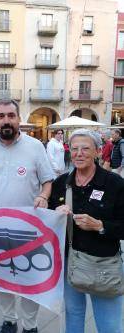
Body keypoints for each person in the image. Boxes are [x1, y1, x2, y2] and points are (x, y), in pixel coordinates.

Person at [0, 99, 54, 333]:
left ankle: (30, 324)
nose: (6, 120)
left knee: (30, 279)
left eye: (11, 115)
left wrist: (44, 196)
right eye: (1, 116)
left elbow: (47, 180)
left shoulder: (36, 146)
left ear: (19, 119)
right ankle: (9, 319)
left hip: (30, 228)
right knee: (1, 277)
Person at [49, 129, 124, 333]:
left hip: (104, 265)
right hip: (70, 262)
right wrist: (55, 212)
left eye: (85, 148)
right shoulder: (61, 183)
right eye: (74, 149)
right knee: (73, 314)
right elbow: (46, 218)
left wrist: (100, 226)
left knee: (110, 325)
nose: (79, 153)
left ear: (98, 151)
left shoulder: (114, 184)